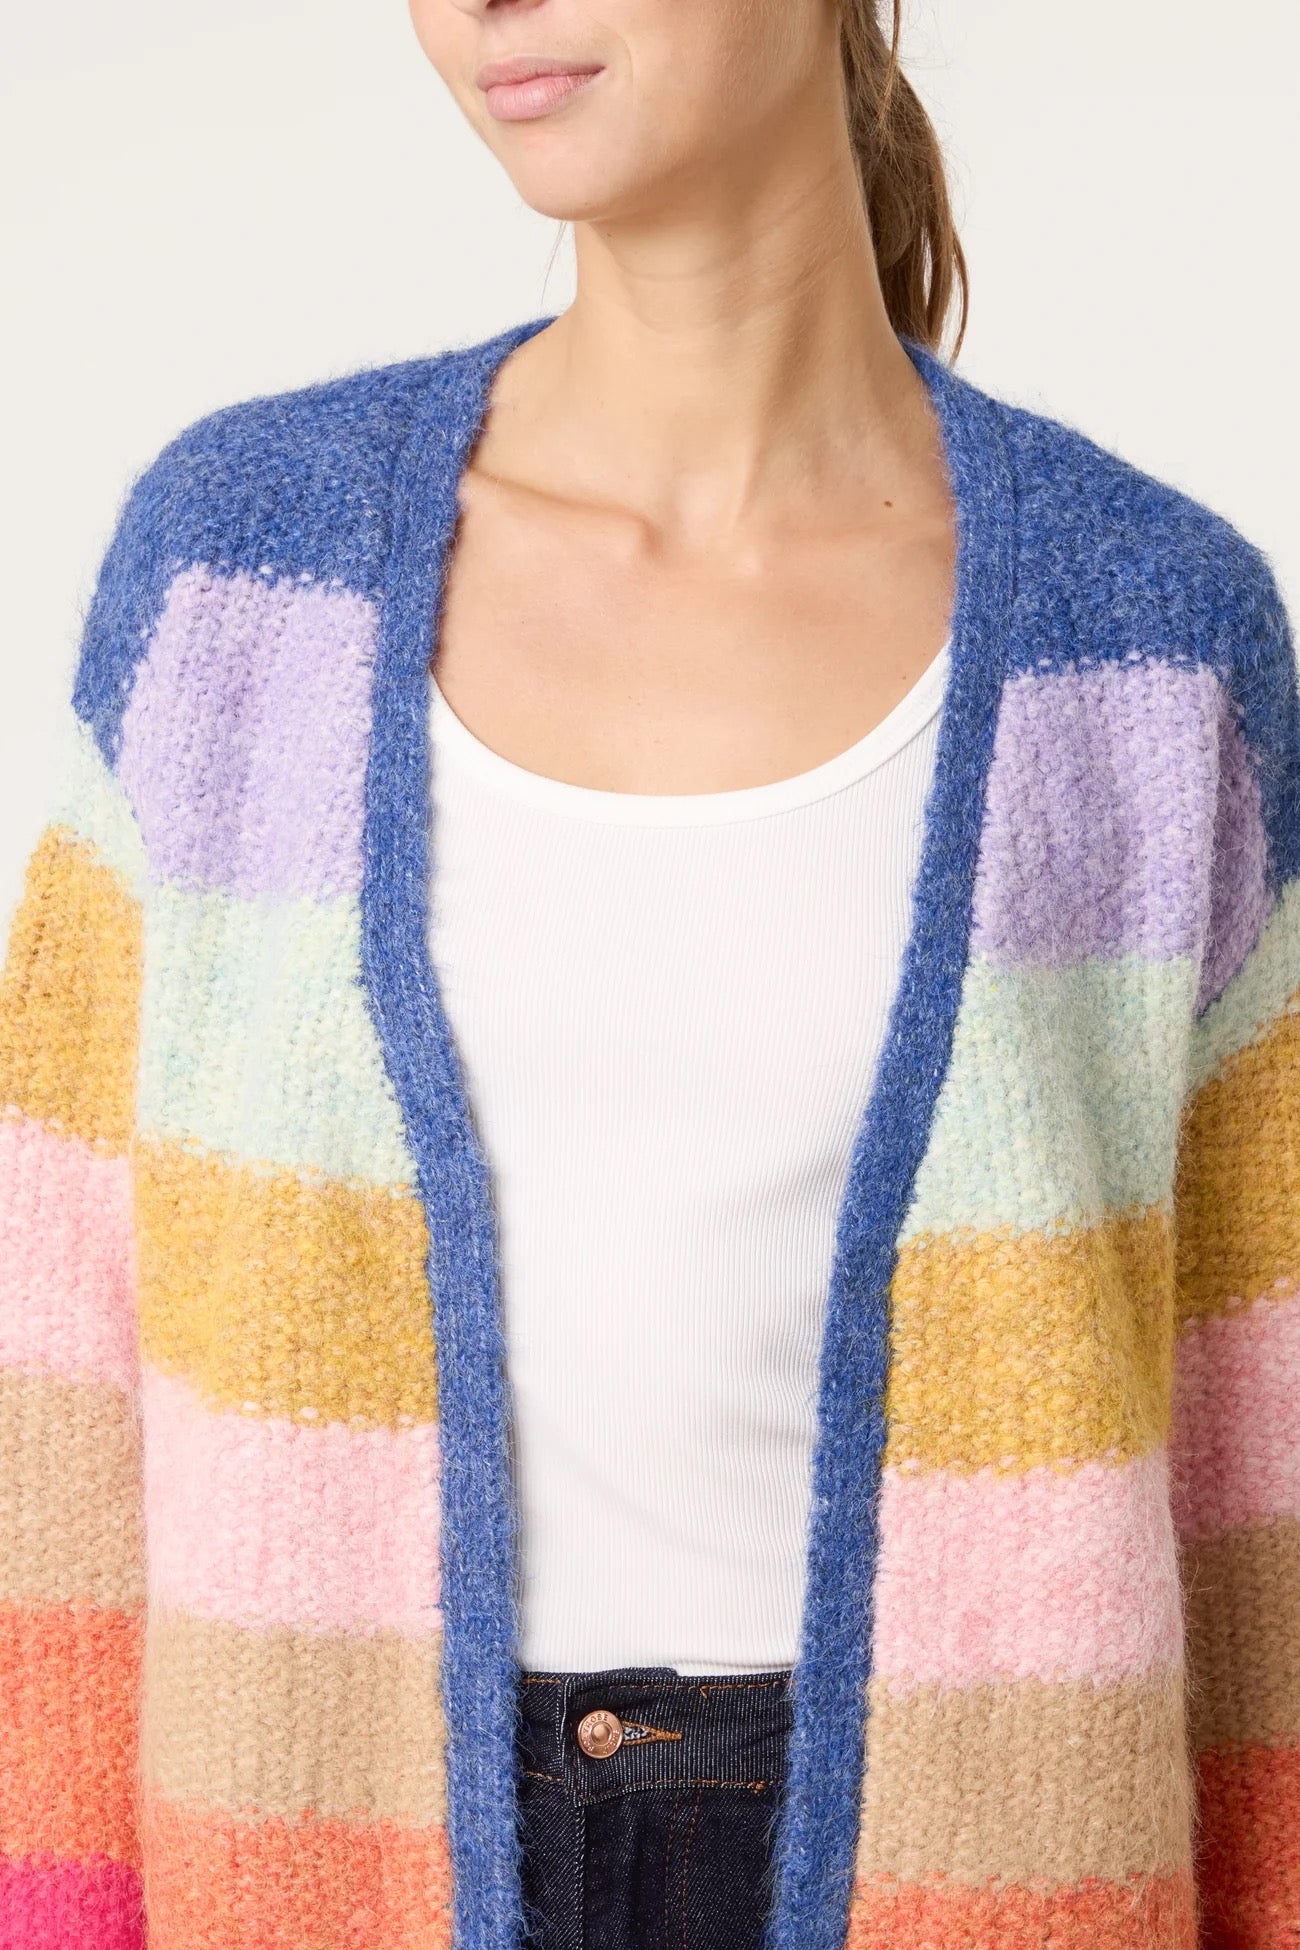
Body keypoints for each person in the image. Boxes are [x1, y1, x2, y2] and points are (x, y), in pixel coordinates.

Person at [0, 1, 1295, 1947]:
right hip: (321, 1852)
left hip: (975, 1865)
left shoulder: (1149, 642)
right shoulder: (239, 579)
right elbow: (53, 1391)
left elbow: (1259, 1467)